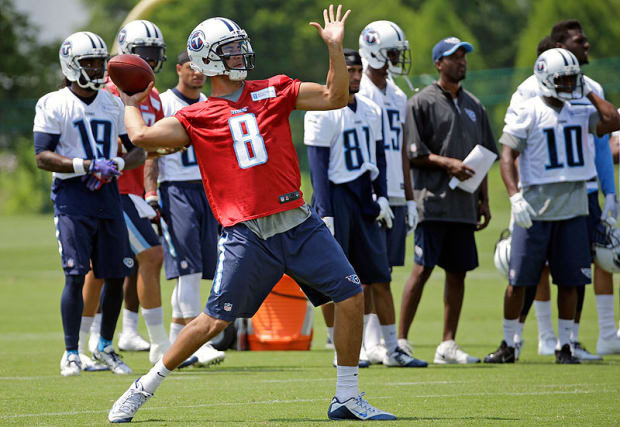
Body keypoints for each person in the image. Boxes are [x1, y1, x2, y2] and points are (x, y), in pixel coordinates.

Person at [108, 6, 396, 422]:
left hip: (298, 221)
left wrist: (334, 49)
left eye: (240, 47)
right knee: (212, 321)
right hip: (248, 233)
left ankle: (347, 397)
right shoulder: (195, 115)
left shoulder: (273, 89)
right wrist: (131, 101)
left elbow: (336, 97)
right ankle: (143, 387)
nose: (241, 54)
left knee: (350, 296)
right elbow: (140, 137)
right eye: (230, 50)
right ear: (208, 59)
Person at [484, 47, 620, 364]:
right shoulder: (528, 109)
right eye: (565, 79)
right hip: (535, 204)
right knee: (519, 279)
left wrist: (588, 89)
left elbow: (612, 120)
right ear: (545, 78)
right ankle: (508, 341)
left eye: (575, 79)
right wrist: (514, 196)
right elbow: (507, 155)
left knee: (571, 280)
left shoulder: (581, 108)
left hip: (574, 203)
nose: (571, 85)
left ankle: (566, 343)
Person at [304, 48, 426, 368]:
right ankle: (339, 346)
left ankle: (392, 347)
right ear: (334, 71)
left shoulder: (371, 108)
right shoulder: (321, 110)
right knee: (334, 278)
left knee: (379, 275)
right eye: (349, 70)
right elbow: (318, 165)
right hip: (335, 197)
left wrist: (382, 194)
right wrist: (326, 212)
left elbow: (380, 156)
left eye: (359, 70)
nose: (355, 77)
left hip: (363, 196)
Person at [33, 31, 135, 376]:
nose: (95, 68)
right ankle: (71, 351)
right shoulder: (53, 102)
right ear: (71, 65)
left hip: (108, 193)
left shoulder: (113, 102)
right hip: (73, 197)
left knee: (117, 273)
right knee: (76, 275)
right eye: (88, 62)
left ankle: (105, 346)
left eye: (99, 62)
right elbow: (42, 156)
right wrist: (86, 165)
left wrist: (116, 165)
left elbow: (135, 148)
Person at [399, 37, 497, 364]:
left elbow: (484, 155)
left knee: (458, 273)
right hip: (433, 201)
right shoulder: (421, 103)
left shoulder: (475, 106)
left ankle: (447, 344)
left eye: (464, 57)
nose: (462, 63)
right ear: (438, 63)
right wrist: (448, 163)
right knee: (422, 269)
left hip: (463, 206)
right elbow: (414, 153)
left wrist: (483, 201)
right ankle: (400, 340)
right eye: (454, 58)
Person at [145, 50, 225, 366]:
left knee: (198, 269)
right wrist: (151, 192)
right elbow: (151, 151)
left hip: (207, 189)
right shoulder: (165, 103)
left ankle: (175, 345)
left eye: (202, 68)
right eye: (191, 67)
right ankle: (196, 341)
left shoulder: (209, 102)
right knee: (187, 267)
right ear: (179, 69)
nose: (198, 73)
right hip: (175, 188)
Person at [357, 20, 421, 364]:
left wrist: (410, 198)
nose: (398, 58)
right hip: (369, 192)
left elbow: (402, 152)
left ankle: (380, 342)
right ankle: (373, 343)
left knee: (384, 272)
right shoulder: (359, 92)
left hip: (396, 191)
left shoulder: (397, 95)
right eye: (393, 52)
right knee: (369, 273)